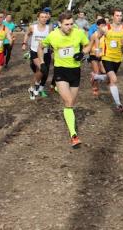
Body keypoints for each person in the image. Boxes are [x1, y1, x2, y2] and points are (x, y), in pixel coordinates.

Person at [38, 11, 91, 148]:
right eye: (67, 24)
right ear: (60, 24)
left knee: (70, 103)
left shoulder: (78, 33)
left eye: (71, 24)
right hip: (60, 71)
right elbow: (40, 47)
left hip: (75, 71)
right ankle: (73, 135)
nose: (70, 26)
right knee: (68, 101)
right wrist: (42, 62)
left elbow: (88, 45)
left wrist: (82, 53)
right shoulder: (53, 35)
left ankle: (65, 103)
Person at [101, 9, 123, 113]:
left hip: (118, 58)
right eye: (117, 15)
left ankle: (95, 77)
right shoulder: (106, 28)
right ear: (112, 17)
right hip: (107, 57)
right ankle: (119, 105)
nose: (119, 17)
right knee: (114, 79)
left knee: (109, 79)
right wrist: (97, 50)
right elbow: (95, 38)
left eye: (120, 16)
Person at [23, 11, 52, 99]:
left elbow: (52, 39)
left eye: (45, 17)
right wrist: (24, 43)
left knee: (42, 71)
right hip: (34, 51)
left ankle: (33, 87)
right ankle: (35, 86)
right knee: (41, 68)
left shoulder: (49, 28)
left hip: (46, 52)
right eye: (42, 17)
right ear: (38, 18)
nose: (44, 19)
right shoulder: (32, 27)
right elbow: (27, 34)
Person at [88, 18, 107, 96]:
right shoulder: (95, 35)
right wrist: (98, 54)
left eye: (104, 26)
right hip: (94, 55)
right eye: (102, 26)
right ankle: (95, 88)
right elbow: (97, 47)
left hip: (101, 55)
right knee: (97, 72)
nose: (103, 27)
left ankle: (93, 76)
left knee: (104, 71)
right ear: (98, 26)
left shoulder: (105, 34)